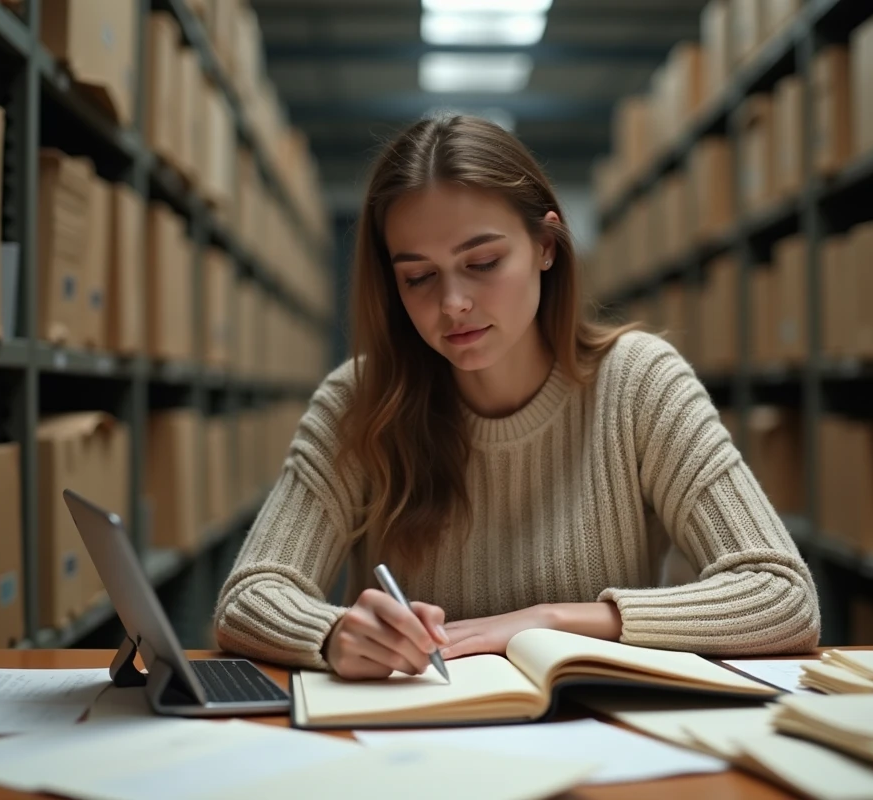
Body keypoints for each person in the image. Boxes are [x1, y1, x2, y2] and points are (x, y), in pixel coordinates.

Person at [215, 115, 820, 680]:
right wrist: (331, 634)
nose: (452, 303)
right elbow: (248, 598)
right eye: (418, 277)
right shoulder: (358, 399)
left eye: (482, 262)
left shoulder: (639, 383)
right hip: (417, 746)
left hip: (596, 740)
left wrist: (553, 621)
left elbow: (783, 596)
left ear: (546, 246)